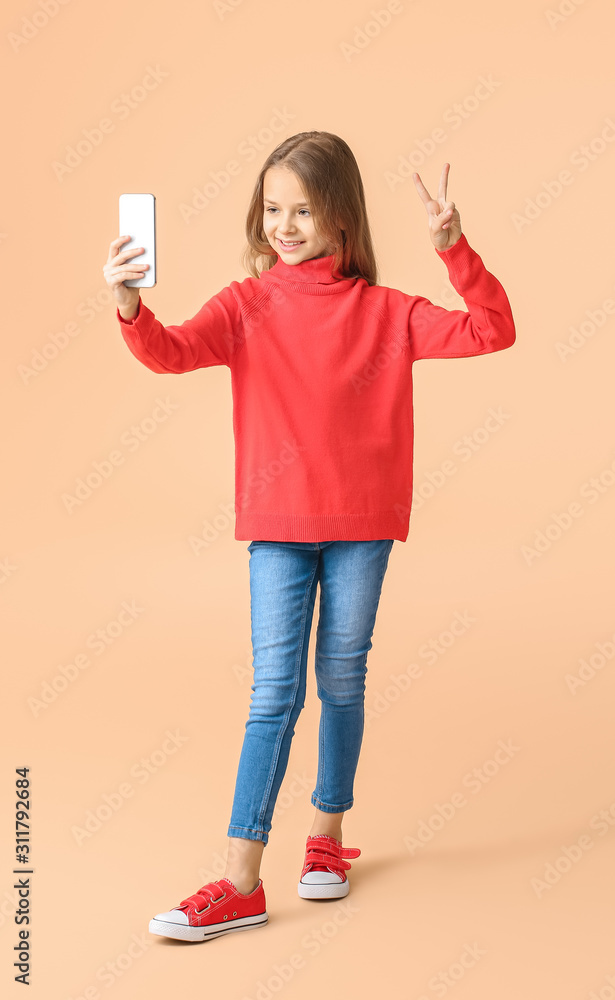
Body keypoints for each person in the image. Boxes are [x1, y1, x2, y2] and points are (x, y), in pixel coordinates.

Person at [103, 131, 516, 944]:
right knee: (273, 694)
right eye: (272, 209)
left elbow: (490, 329)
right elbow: (170, 351)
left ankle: (325, 840)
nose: (284, 225)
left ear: (340, 220)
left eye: (302, 210)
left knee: (343, 679)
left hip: (363, 525)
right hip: (277, 529)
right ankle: (239, 881)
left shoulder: (387, 310)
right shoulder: (244, 305)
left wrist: (454, 250)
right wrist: (128, 305)